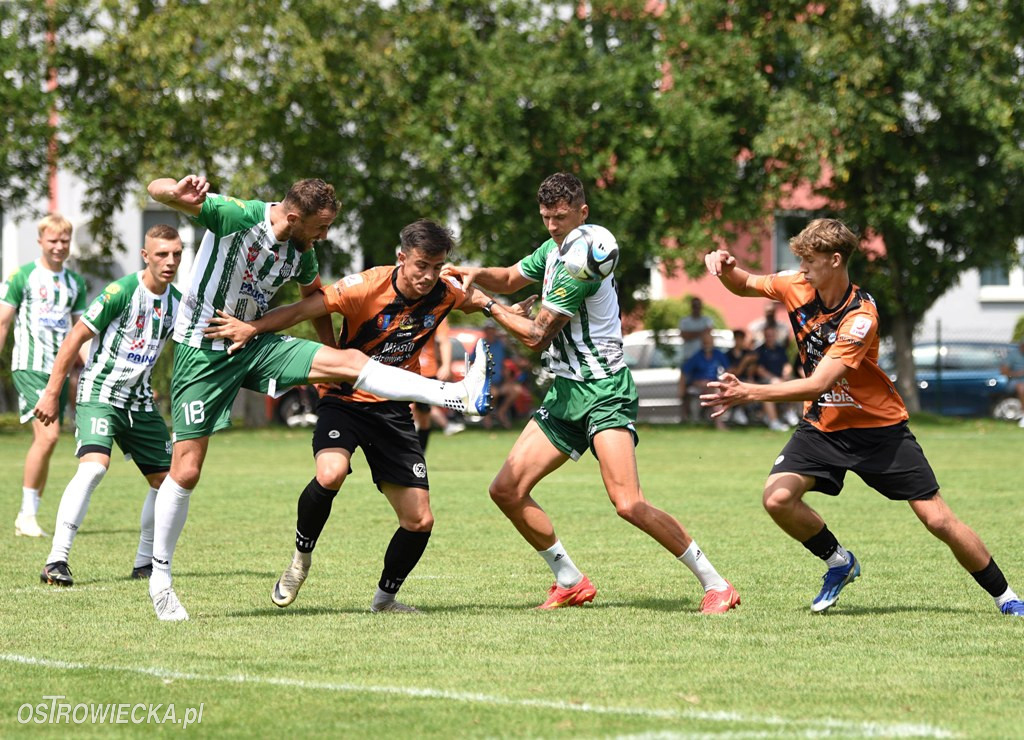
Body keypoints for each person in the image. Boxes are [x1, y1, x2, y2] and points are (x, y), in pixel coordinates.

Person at [144, 175, 493, 621]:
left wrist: (331, 355)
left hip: (252, 343)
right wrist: (174, 192)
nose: (325, 236)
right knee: (187, 470)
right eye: (321, 226)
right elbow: (156, 189)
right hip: (203, 349)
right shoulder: (235, 216)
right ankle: (160, 581)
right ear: (293, 217)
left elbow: (314, 300)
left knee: (348, 363)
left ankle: (456, 394)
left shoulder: (301, 250)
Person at [702, 217, 1024, 617]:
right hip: (823, 427)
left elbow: (818, 383)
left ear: (835, 260)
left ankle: (1007, 597)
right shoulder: (796, 285)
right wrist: (725, 267)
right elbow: (746, 284)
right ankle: (839, 561)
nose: (803, 268)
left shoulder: (861, 316)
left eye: (811, 261)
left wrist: (750, 392)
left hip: (880, 431)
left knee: (938, 519)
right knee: (778, 498)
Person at [454, 172, 739, 614]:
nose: (552, 225)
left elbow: (535, 335)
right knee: (506, 490)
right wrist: (478, 273)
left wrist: (485, 305)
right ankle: (569, 580)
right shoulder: (554, 249)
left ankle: (717, 584)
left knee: (627, 503)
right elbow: (511, 276)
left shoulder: (583, 262)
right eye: (546, 217)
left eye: (560, 217)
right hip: (567, 392)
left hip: (604, 390)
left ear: (582, 213)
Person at [34, 225, 183, 586]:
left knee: (167, 482)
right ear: (145, 256)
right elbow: (75, 338)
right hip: (100, 393)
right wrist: (52, 392)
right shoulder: (121, 291)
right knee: (94, 469)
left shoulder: (178, 303)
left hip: (140, 402)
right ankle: (57, 560)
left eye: (176, 254)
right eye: (162, 254)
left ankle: (144, 562)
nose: (170, 261)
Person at [0, 214, 88, 538]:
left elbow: (80, 333)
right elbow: (3, 322)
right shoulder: (22, 276)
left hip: (58, 372)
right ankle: (26, 515)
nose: (59, 246)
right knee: (49, 437)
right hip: (29, 366)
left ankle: (28, 513)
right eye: (53, 240)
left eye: (64, 240)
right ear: (40, 241)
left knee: (46, 442)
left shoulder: (74, 283)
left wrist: (91, 368)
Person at [678, 329, 729, 428]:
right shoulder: (697, 356)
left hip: (713, 384)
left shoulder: (718, 354)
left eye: (709, 342)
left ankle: (717, 421)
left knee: (716, 390)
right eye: (705, 342)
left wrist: (723, 381)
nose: (707, 344)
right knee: (712, 389)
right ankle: (718, 423)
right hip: (698, 385)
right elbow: (684, 371)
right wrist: (681, 389)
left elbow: (728, 369)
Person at [754, 324, 797, 431]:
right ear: (764, 336)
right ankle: (774, 421)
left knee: (796, 384)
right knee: (770, 389)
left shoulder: (780, 349)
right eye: (768, 335)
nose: (770, 337)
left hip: (781, 379)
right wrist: (774, 379)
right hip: (765, 380)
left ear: (775, 335)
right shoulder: (760, 350)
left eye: (772, 335)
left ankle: (789, 411)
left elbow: (787, 364)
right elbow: (759, 370)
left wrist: (787, 371)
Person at [724, 328, 758, 425]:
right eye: (737, 339)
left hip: (747, 380)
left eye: (741, 339)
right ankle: (738, 411)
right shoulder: (728, 354)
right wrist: (745, 362)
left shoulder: (748, 353)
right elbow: (732, 372)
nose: (739, 341)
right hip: (733, 382)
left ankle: (741, 411)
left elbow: (753, 367)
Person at [678, 296, 714, 362]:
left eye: (698, 305)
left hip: (704, 358)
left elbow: (708, 335)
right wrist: (702, 332)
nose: (696, 308)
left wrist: (691, 334)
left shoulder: (707, 320)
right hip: (689, 356)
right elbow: (684, 336)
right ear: (691, 307)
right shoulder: (684, 321)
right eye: (694, 305)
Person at [999, 338, 1024, 429]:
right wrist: (1019, 373)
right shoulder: (1013, 356)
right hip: (1016, 381)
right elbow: (1004, 372)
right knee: (1022, 387)